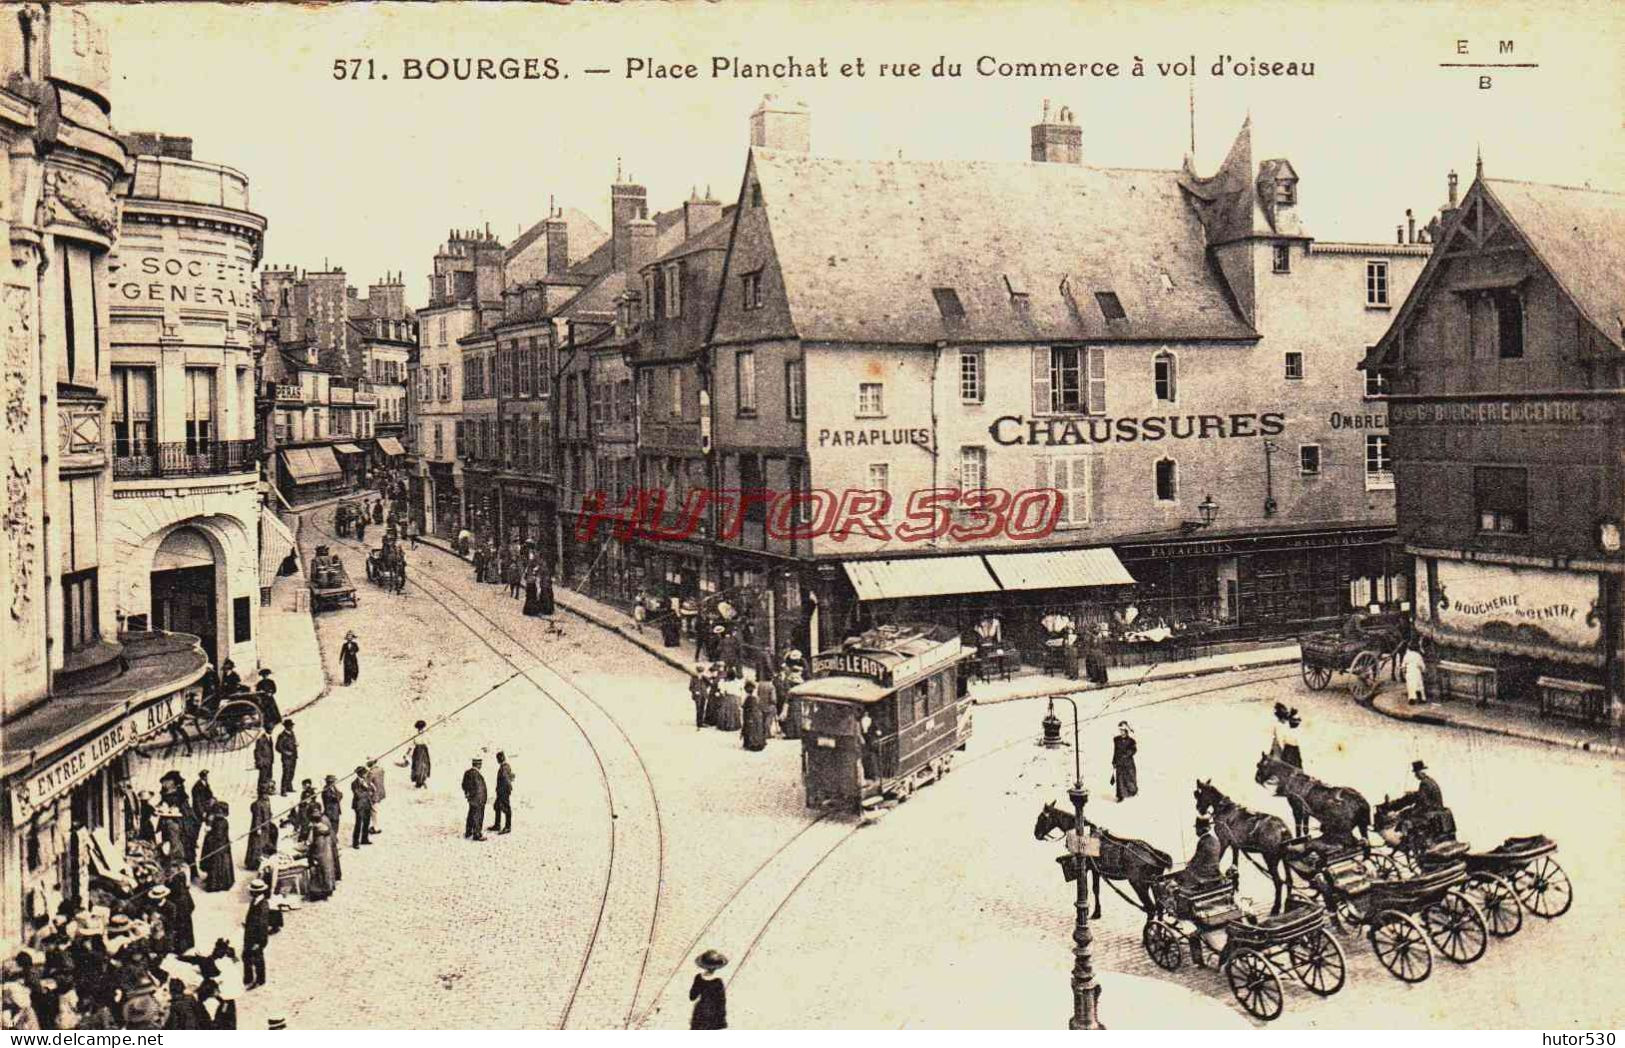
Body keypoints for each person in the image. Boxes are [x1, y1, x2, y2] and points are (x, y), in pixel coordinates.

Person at [1176, 814, 1224, 890]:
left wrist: (1189, 865)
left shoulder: (1203, 841)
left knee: (1180, 877)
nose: (1196, 831)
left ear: (1200, 830)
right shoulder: (1216, 840)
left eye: (1197, 829)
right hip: (1215, 874)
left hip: (1204, 876)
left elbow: (1197, 860)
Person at [200, 802, 235, 893]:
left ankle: (216, 884)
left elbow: (218, 836)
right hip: (222, 845)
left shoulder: (220, 823)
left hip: (218, 847)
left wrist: (209, 834)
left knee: (217, 864)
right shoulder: (221, 821)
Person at [689, 949, 728, 1030]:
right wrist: (722, 1020)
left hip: (700, 1012)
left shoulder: (698, 978)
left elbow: (692, 997)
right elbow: (721, 1002)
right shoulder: (718, 982)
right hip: (713, 1013)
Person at [241, 882, 270, 991]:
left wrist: (259, 942)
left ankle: (259, 979)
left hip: (256, 939)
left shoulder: (262, 905)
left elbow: (262, 926)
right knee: (247, 957)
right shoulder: (256, 901)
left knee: (257, 959)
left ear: (255, 892)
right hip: (251, 935)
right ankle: (249, 978)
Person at [305, 813, 340, 901]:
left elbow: (309, 842)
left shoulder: (314, 830)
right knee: (328, 871)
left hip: (318, 854)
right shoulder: (326, 828)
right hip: (327, 853)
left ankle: (318, 893)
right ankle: (328, 890)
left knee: (317, 874)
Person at [164, 871, 196, 957]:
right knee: (186, 932)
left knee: (179, 933)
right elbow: (192, 906)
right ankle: (188, 944)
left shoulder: (173, 898)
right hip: (186, 917)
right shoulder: (185, 892)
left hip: (179, 918)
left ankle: (179, 949)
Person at [245, 785, 277, 870]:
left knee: (264, 844)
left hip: (266, 827)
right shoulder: (258, 804)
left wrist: (270, 817)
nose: (266, 796)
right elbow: (257, 817)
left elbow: (269, 812)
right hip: (259, 828)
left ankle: (262, 861)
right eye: (264, 794)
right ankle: (253, 864)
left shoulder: (267, 802)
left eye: (267, 794)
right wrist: (258, 828)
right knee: (256, 845)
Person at [1111, 722, 1138, 802]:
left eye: (1123, 730)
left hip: (1128, 762)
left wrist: (1127, 754)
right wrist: (1114, 761)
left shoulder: (1131, 741)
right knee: (1120, 779)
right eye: (1120, 730)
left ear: (1126, 731)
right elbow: (1115, 751)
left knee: (1130, 777)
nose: (1121, 732)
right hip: (1119, 762)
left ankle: (1132, 791)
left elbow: (1134, 750)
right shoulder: (1116, 740)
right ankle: (1120, 795)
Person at [462, 757, 488, 842]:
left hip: (472, 799)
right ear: (478, 764)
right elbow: (479, 788)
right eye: (480, 764)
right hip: (478, 799)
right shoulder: (476, 774)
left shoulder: (468, 773)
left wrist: (468, 794)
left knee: (471, 815)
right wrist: (482, 798)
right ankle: (477, 834)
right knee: (478, 816)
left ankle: (468, 832)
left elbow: (464, 785)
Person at [490, 752, 514, 835]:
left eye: (498, 758)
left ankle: (507, 827)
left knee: (506, 808)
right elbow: (511, 776)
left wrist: (507, 789)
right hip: (502, 791)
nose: (497, 760)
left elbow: (506, 779)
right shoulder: (507, 766)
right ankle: (497, 825)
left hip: (503, 791)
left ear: (500, 759)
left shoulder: (503, 768)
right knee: (497, 806)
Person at [349, 769, 374, 848]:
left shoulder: (366, 781)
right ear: (359, 774)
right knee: (358, 824)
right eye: (364, 773)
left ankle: (364, 839)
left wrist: (369, 788)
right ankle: (355, 842)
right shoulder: (354, 783)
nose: (365, 775)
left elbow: (373, 790)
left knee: (367, 822)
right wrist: (367, 791)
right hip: (359, 806)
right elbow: (358, 795)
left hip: (367, 804)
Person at [741, 682, 768, 752]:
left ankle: (751, 743)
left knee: (750, 727)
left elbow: (745, 707)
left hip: (751, 715)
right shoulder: (757, 697)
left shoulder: (748, 698)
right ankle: (759, 742)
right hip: (758, 715)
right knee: (757, 728)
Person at [275, 720, 299, 796]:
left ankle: (289, 787)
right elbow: (278, 747)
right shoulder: (282, 735)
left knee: (292, 772)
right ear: (286, 726)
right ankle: (283, 790)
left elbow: (292, 742)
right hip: (286, 758)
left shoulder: (292, 733)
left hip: (293, 757)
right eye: (290, 726)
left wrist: (295, 744)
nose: (292, 727)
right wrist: (286, 752)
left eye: (292, 725)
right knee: (286, 773)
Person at [253, 729, 275, 797]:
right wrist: (260, 761)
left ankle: (267, 790)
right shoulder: (261, 739)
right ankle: (261, 792)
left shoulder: (270, 738)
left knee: (268, 776)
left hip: (269, 761)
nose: (271, 730)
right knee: (263, 778)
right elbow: (257, 751)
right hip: (264, 762)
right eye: (270, 729)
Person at [367, 759, 386, 835]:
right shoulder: (381, 770)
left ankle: (376, 828)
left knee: (374, 811)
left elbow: (367, 782)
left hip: (374, 794)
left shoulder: (371, 772)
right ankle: (376, 826)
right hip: (380, 792)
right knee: (376, 809)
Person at [410, 721, 432, 788]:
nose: (420, 729)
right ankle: (418, 781)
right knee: (417, 766)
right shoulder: (415, 735)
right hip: (417, 751)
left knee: (424, 766)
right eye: (419, 728)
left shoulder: (426, 735)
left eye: (421, 728)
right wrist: (408, 753)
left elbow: (429, 743)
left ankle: (422, 780)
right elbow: (411, 744)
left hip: (424, 751)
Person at [321, 775, 343, 839]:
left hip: (335, 811)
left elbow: (340, 795)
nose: (333, 783)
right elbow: (336, 798)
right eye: (332, 781)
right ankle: (332, 841)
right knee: (332, 827)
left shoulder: (333, 788)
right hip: (330, 812)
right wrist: (338, 796)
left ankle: (334, 839)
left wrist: (336, 791)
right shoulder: (326, 790)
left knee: (335, 827)